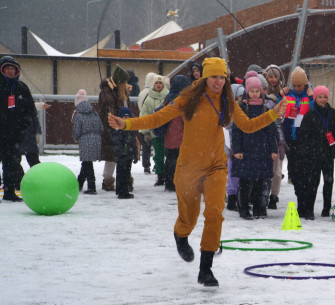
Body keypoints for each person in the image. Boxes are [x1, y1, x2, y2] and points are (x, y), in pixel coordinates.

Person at [107, 57, 287, 287]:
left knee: (214, 214)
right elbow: (157, 117)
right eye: (214, 77)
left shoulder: (227, 100)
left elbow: (248, 126)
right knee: (188, 219)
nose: (219, 82)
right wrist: (127, 124)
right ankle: (180, 235)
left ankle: (206, 269)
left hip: (216, 166)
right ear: (204, 77)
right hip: (189, 168)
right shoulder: (189, 97)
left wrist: (273, 114)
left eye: (222, 77)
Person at [231, 75, 278, 219]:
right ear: (247, 92)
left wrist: (273, 149)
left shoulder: (266, 108)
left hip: (262, 150)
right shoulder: (241, 108)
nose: (255, 94)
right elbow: (236, 131)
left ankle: (259, 208)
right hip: (246, 150)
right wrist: (237, 149)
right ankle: (244, 208)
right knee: (245, 182)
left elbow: (271, 131)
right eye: (252, 91)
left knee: (260, 181)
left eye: (257, 91)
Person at [297, 85, 335, 220]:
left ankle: (327, 208)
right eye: (320, 97)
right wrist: (307, 151)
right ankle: (309, 209)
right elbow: (303, 136)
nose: (322, 100)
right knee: (313, 182)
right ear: (315, 98)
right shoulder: (310, 114)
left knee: (329, 181)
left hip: (328, 153)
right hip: (313, 155)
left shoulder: (333, 113)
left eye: (325, 97)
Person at [0, 56, 37, 202]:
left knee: (12, 164)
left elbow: (30, 109)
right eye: (7, 68)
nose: (10, 71)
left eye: (12, 69)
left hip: (15, 134)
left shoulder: (22, 87)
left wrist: (25, 125)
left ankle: (9, 192)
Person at [282, 66, 314, 216]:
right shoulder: (288, 96)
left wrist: (311, 97)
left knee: (305, 174)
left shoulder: (309, 97)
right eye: (294, 85)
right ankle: (300, 200)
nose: (297, 88)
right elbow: (278, 110)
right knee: (294, 174)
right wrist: (280, 94)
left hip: (304, 142)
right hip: (291, 140)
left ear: (305, 84)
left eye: (299, 85)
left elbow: (315, 112)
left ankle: (305, 205)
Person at [98, 64, 131, 192]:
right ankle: (108, 180)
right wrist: (115, 125)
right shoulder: (108, 93)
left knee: (123, 154)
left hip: (123, 127)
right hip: (112, 128)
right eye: (124, 81)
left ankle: (125, 179)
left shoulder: (120, 91)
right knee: (112, 156)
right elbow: (109, 112)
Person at [264, 64, 288, 209]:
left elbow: (282, 117)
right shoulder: (260, 92)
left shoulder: (284, 94)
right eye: (270, 76)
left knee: (277, 171)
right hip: (264, 135)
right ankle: (263, 195)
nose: (273, 79)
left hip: (277, 134)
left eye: (276, 77)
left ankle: (274, 196)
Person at [163, 75, 192, 192]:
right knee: (179, 160)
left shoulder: (168, 98)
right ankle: (175, 182)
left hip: (170, 133)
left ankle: (169, 182)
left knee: (170, 158)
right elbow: (185, 119)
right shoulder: (181, 100)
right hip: (180, 134)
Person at [72, 89, 103, 194]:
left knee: (87, 163)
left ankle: (91, 187)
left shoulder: (79, 115)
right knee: (86, 162)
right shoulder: (95, 114)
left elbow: (77, 130)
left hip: (85, 140)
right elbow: (101, 128)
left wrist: (76, 138)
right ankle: (79, 183)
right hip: (97, 139)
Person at [140, 75, 169, 186]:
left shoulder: (168, 97)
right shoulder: (148, 99)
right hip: (154, 133)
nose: (158, 85)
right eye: (156, 83)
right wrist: (146, 132)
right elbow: (145, 116)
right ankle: (160, 176)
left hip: (168, 133)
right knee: (158, 155)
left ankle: (169, 175)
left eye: (160, 83)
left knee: (169, 155)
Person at [111, 107, 138, 199]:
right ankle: (122, 191)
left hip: (129, 155)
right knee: (121, 174)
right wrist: (120, 153)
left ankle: (124, 190)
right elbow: (117, 142)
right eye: (124, 117)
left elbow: (134, 143)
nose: (126, 119)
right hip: (122, 155)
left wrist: (135, 154)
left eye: (128, 117)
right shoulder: (118, 129)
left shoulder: (131, 129)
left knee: (127, 173)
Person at [225, 84, 244, 211]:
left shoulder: (243, 109)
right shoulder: (229, 109)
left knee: (240, 172)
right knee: (232, 171)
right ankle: (231, 195)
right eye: (239, 96)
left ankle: (238, 196)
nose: (241, 99)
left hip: (243, 145)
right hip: (231, 145)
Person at [137, 72, 157, 174]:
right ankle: (156, 164)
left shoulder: (141, 92)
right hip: (152, 122)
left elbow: (140, 107)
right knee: (156, 146)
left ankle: (146, 166)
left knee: (146, 146)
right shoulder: (154, 93)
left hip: (142, 121)